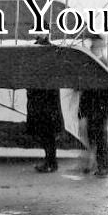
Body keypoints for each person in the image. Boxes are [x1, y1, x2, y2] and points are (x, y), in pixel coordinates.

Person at [78, 34, 108, 176]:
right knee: (90, 136)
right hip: (89, 107)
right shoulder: (86, 65)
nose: (93, 47)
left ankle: (103, 167)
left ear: (102, 46)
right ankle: (91, 163)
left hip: (102, 108)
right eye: (92, 45)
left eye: (96, 45)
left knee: (101, 138)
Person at [28, 36, 64, 173]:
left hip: (47, 101)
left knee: (47, 134)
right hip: (40, 100)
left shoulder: (51, 50)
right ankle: (49, 161)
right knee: (44, 134)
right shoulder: (36, 49)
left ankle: (51, 163)